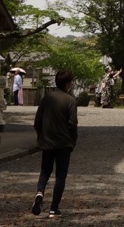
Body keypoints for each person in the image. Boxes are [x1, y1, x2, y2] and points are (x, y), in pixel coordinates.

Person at [31, 69, 78, 219]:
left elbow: (37, 120)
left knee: (45, 171)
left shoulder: (47, 98)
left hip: (48, 142)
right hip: (63, 143)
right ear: (68, 84)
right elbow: (72, 124)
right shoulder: (70, 100)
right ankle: (54, 208)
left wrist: (41, 135)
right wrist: (73, 140)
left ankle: (40, 192)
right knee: (61, 176)